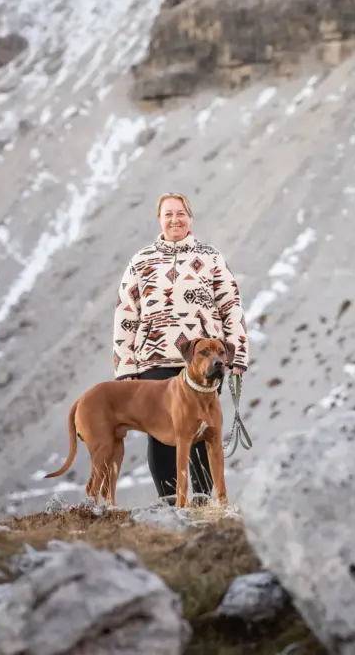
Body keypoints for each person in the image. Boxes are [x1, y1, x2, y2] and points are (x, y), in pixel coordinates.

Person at [113, 192, 249, 503]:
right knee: (160, 434)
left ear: (190, 217)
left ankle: (200, 502)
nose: (175, 219)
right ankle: (170, 504)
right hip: (153, 361)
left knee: (202, 434)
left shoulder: (211, 257)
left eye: (181, 214)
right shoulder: (141, 260)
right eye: (168, 214)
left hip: (204, 361)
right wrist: (126, 367)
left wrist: (237, 354)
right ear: (159, 219)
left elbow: (231, 307)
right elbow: (126, 312)